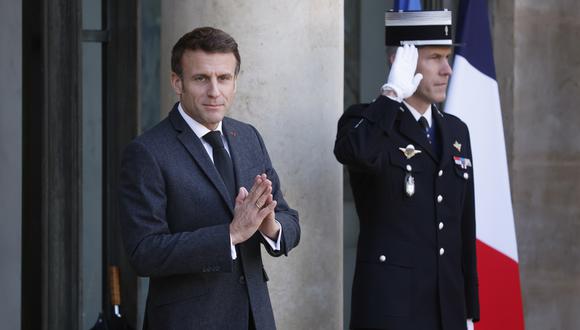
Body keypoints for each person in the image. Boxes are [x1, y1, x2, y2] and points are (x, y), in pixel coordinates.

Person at [119, 27, 300, 330]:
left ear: (234, 82)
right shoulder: (147, 152)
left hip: (255, 318)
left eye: (224, 78)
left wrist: (270, 225)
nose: (215, 91)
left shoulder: (248, 137)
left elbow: (289, 219)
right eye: (201, 78)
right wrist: (230, 235)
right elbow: (144, 253)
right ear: (177, 82)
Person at [334, 10, 479, 330]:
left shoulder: (455, 130)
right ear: (400, 61)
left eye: (448, 57)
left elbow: (463, 224)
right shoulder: (365, 120)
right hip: (391, 308)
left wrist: (468, 310)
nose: (447, 70)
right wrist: (390, 96)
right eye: (434, 58)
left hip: (447, 308)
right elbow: (355, 153)